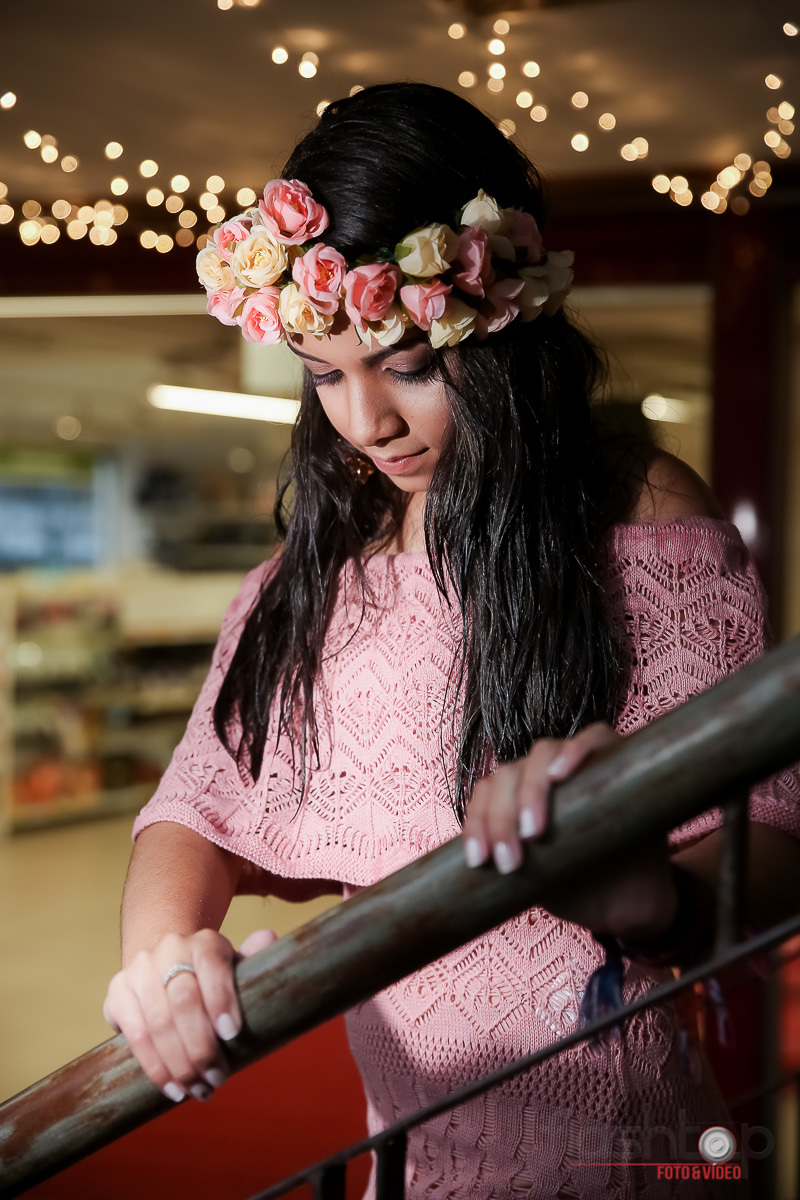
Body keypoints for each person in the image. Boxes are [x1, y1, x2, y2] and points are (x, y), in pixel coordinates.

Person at [103, 82, 800, 1197]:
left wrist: (651, 897)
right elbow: (193, 810)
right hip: (406, 1164)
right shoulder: (310, 579)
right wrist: (164, 958)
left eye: (411, 367)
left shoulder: (635, 511)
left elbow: (769, 835)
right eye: (325, 374)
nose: (364, 422)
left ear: (501, 318)